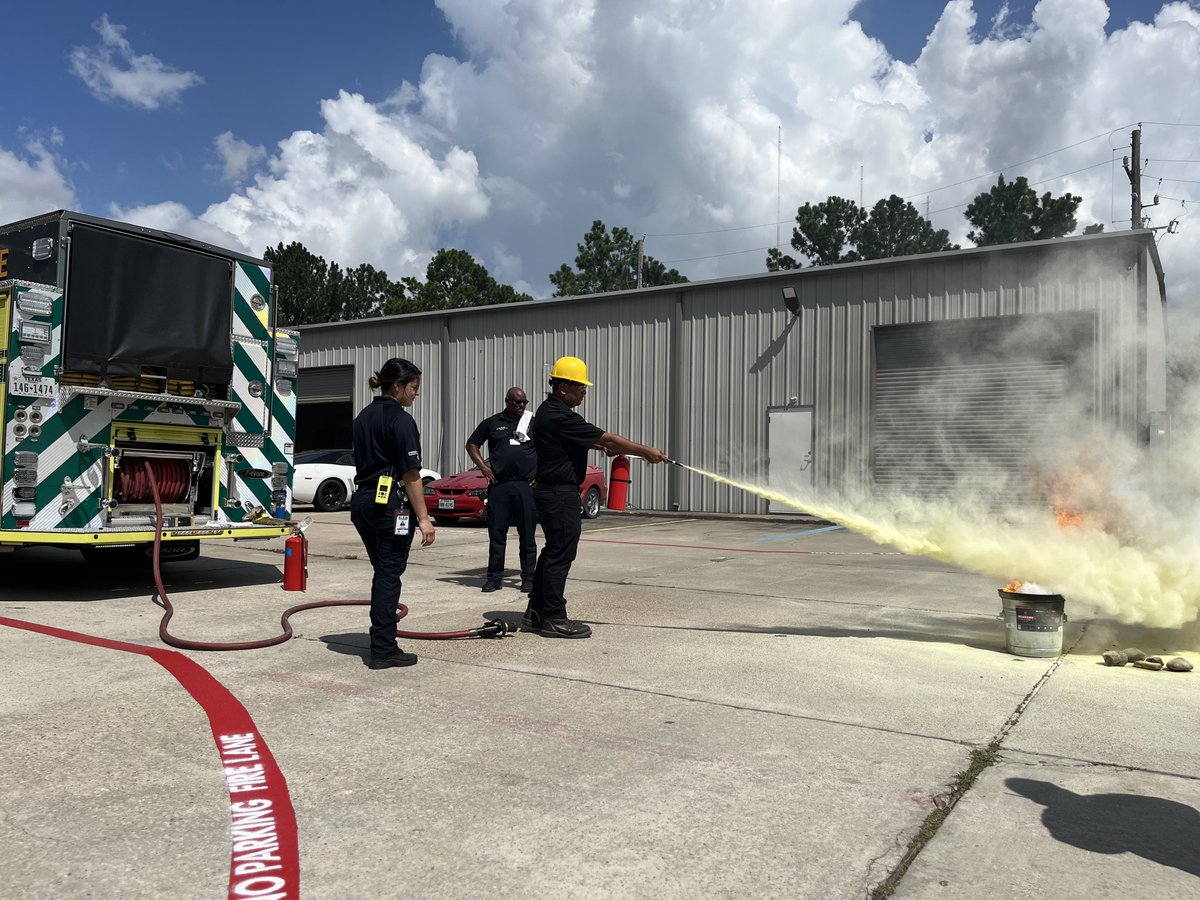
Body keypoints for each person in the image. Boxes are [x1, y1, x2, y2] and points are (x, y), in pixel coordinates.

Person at [523, 356, 667, 639]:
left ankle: (537, 612)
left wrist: (602, 445)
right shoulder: (560, 415)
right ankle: (554, 616)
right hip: (558, 493)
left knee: (553, 551)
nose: (584, 392)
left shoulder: (550, 412)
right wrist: (646, 451)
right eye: (581, 387)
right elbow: (609, 439)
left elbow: (596, 441)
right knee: (561, 554)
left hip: (552, 491)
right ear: (564, 387)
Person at [350, 358, 436, 669]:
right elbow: (411, 474)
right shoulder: (400, 420)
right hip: (390, 506)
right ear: (397, 386)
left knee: (384, 570)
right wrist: (424, 519)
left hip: (363, 502)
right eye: (414, 387)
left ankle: (384, 639)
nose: (417, 393)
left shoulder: (362, 417)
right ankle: (383, 648)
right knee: (388, 574)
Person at [466, 386, 537, 593]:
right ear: (507, 401)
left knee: (527, 534)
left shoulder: (532, 423)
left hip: (525, 486)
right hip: (499, 485)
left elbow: (548, 446)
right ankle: (494, 577)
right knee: (497, 534)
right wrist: (484, 468)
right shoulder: (492, 423)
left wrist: (539, 475)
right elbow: (472, 444)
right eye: (517, 402)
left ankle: (529, 577)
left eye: (524, 402)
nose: (521, 406)